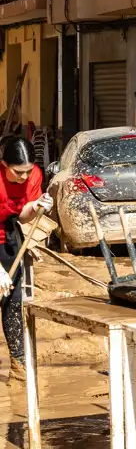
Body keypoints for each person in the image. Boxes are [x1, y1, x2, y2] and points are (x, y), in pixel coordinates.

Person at [0, 137, 53, 381]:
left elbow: (21, 216)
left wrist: (37, 205)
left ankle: (19, 366)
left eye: (27, 171)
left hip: (8, 233)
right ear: (3, 163)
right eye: (17, 171)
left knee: (12, 296)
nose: (23, 177)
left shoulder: (33, 176)